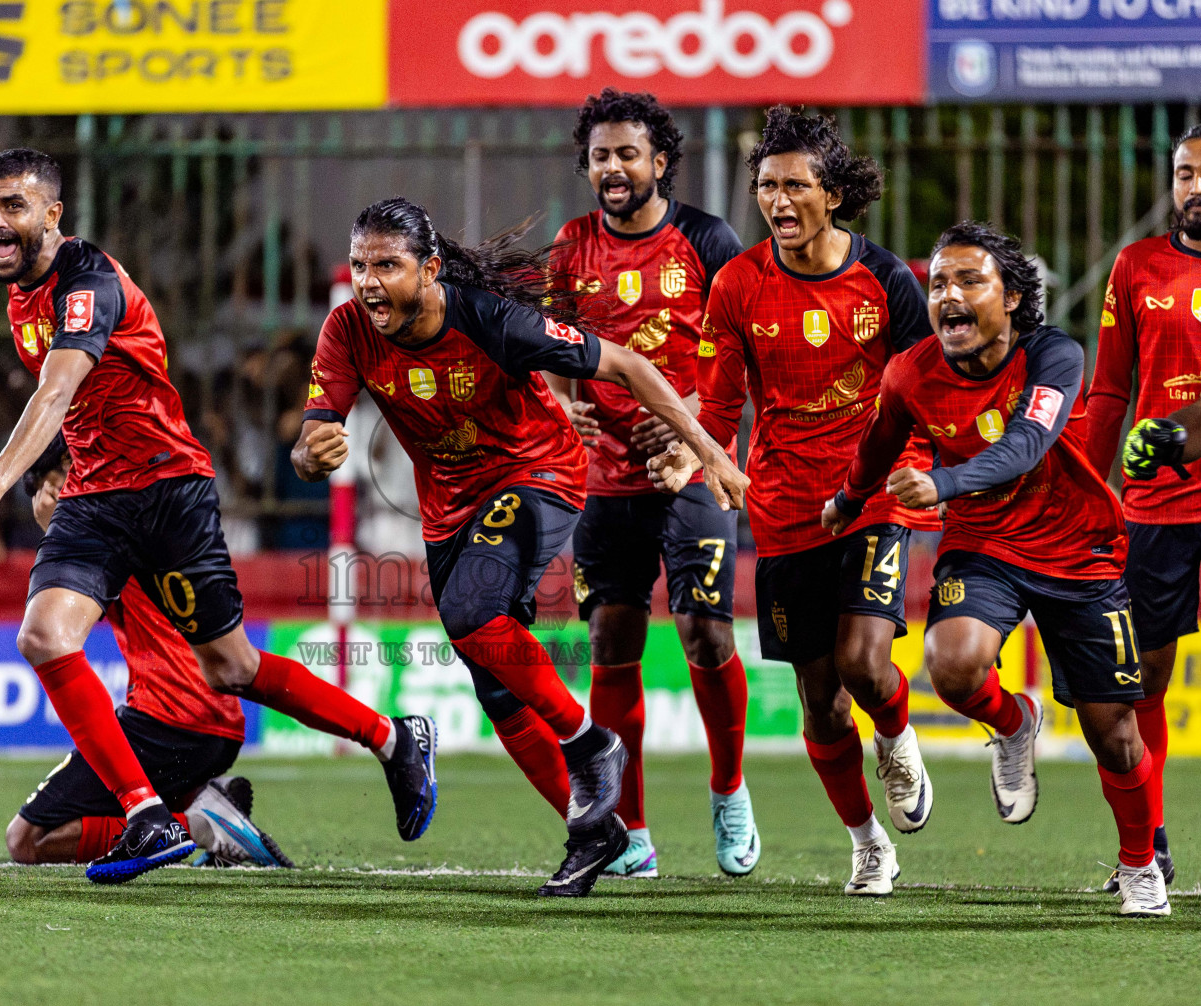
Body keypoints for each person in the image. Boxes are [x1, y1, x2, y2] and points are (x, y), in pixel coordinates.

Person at [0, 149, 436, 885]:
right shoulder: (23, 297)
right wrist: (48, 475)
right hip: (97, 499)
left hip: (169, 490)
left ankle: (391, 737)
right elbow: (77, 410)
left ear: (53, 214)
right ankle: (147, 815)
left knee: (230, 666)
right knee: (43, 636)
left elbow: (58, 386)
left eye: (13, 205)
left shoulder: (88, 283)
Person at [292, 196, 748, 897]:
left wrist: (711, 452)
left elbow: (626, 366)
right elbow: (311, 435)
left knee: (474, 611)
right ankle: (595, 833)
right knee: (496, 682)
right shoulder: (348, 330)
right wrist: (309, 453)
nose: (370, 281)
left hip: (538, 474)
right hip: (449, 510)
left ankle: (592, 746)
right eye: (360, 264)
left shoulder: (490, 319)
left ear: (432, 268)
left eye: (387, 264)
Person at [825, 221, 1168, 918]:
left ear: (1011, 297)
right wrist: (847, 497)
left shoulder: (1055, 357)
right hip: (983, 544)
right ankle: (1013, 724)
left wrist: (943, 485)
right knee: (951, 666)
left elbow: (1026, 446)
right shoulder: (911, 371)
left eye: (969, 280)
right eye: (939, 284)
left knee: (1116, 733)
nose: (949, 295)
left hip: (1079, 550)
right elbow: (879, 440)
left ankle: (1139, 866)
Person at [651, 107, 936, 895]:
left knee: (864, 663)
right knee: (819, 700)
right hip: (783, 509)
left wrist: (926, 466)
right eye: (766, 185)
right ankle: (867, 841)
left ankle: (899, 733)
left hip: (871, 493)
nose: (777, 199)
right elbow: (717, 403)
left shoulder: (887, 281)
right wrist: (696, 453)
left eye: (794, 185)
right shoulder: (738, 284)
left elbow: (921, 389)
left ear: (834, 194)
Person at [546, 88, 755, 879]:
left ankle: (729, 790)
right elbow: (548, 351)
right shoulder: (569, 247)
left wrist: (692, 423)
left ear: (660, 161)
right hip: (606, 482)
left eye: (628, 154)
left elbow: (738, 354)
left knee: (706, 632)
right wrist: (566, 408)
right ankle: (629, 828)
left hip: (690, 468)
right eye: (601, 156)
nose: (614, 168)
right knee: (611, 642)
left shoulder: (708, 238)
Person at [6, 440, 291, 870]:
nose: (45, 504)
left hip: (170, 715)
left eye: (47, 488)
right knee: (120, 802)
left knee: (27, 840)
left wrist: (62, 539)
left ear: (71, 469)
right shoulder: (149, 511)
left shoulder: (103, 528)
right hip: (216, 716)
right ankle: (204, 802)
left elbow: (56, 633)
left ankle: (200, 822)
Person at [1085, 116, 1201, 892]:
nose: (1195, 189)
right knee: (1139, 684)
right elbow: (1108, 391)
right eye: (1184, 174)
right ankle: (1149, 846)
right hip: (1153, 508)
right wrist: (1085, 489)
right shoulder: (1136, 265)